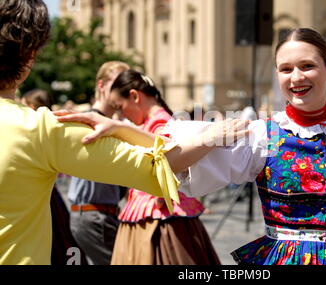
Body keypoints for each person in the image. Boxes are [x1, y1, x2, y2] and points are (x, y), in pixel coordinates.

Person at [56, 28, 326, 265]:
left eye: (308, 66)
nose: (297, 77)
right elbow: (168, 155)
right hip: (276, 255)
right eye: (286, 69)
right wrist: (120, 128)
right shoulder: (260, 135)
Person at [0, 0, 248, 265]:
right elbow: (161, 165)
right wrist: (212, 134)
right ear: (28, 56)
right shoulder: (41, 129)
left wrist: (120, 127)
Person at [105, 69, 220, 265]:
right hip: (159, 214)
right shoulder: (157, 121)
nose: (121, 114)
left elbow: (168, 166)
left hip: (161, 217)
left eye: (120, 106)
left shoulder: (159, 123)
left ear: (134, 96)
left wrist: (158, 194)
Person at [67, 61, 130, 265]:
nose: (126, 91)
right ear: (102, 86)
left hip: (99, 214)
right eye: (118, 85)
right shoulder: (90, 121)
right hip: (94, 214)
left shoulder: (111, 124)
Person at [21, 89, 89, 265]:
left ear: (31, 107)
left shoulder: (33, 133)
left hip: (41, 199)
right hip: (51, 198)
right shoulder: (51, 131)